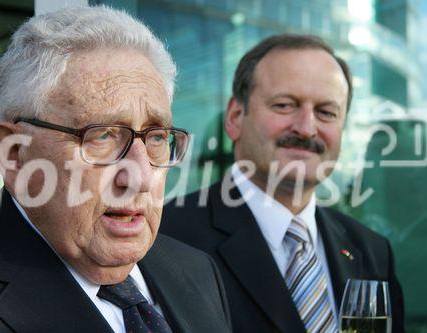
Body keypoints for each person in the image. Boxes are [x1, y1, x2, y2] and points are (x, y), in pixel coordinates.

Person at [0, 6, 231, 333]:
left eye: (156, 136)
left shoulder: (197, 270)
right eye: (102, 135)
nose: (141, 176)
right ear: (15, 154)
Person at [161, 34, 405, 333]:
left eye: (326, 112)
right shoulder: (167, 237)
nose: (306, 128)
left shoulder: (371, 251)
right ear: (235, 117)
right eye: (285, 105)